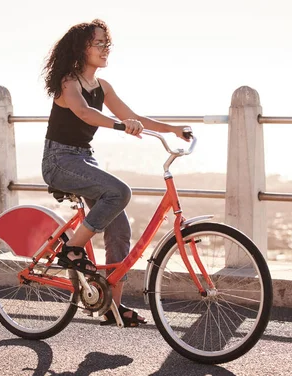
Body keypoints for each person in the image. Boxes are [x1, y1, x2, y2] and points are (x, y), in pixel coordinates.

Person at [41, 19, 191, 327]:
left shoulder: (103, 87)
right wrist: (119, 125)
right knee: (120, 192)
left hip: (84, 160)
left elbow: (133, 116)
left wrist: (173, 129)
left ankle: (112, 306)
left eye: (107, 44)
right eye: (99, 44)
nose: (105, 49)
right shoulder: (69, 82)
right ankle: (71, 249)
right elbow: (84, 112)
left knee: (120, 229)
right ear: (81, 49)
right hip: (60, 161)